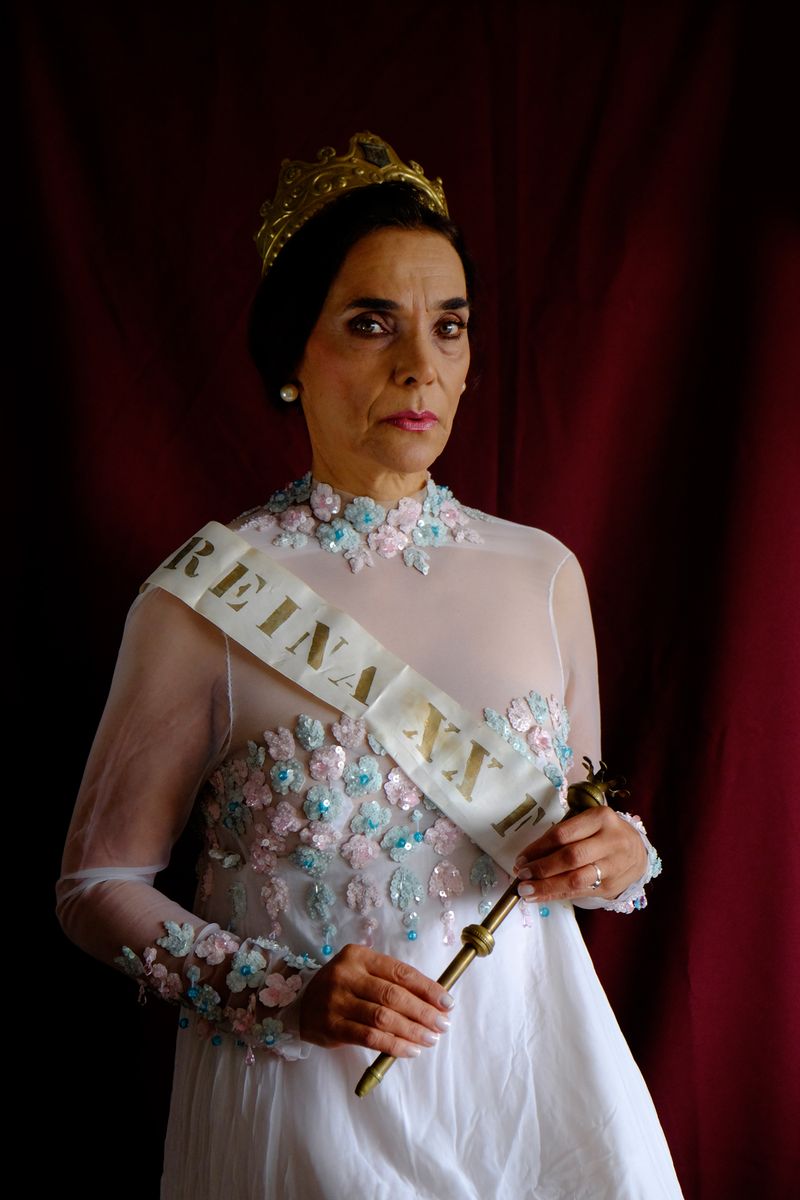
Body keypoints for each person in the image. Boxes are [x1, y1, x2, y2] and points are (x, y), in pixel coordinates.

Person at [57, 132, 682, 1198]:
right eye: (370, 323)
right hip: (310, 1104)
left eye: (449, 326)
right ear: (291, 356)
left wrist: (615, 857)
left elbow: (574, 828)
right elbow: (94, 886)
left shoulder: (543, 573)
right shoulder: (202, 599)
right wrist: (278, 993)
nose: (418, 366)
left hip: (534, 1087)